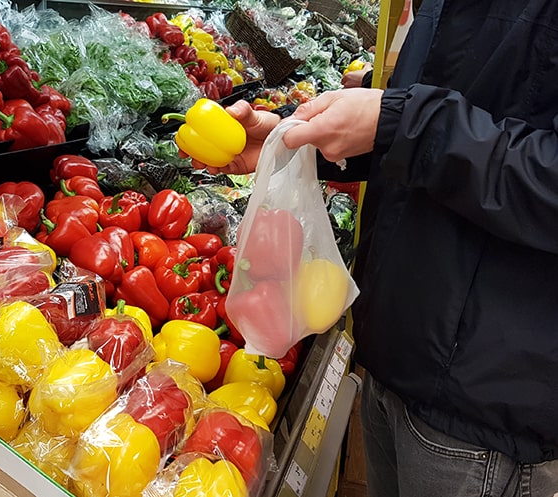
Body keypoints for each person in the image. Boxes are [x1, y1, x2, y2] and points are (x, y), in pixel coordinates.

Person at [188, 0, 558, 495]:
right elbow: (435, 128)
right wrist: (293, 140)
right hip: (397, 351)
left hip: (483, 403)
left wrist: (403, 121)